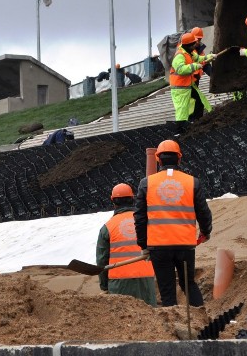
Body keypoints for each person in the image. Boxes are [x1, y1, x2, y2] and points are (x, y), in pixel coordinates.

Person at [134, 140, 212, 307]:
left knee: (167, 291)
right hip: (185, 246)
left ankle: (173, 330)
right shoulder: (192, 182)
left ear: (158, 160)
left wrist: (143, 245)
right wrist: (205, 231)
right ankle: (203, 324)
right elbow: (203, 212)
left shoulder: (146, 183)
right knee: (189, 284)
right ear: (179, 159)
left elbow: (140, 218)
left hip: (158, 247)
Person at [96, 183, 156, 306]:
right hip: (146, 279)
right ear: (133, 199)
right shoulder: (146, 222)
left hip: (119, 283)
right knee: (150, 320)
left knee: (123, 322)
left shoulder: (107, 228)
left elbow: (102, 260)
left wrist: (104, 286)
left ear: (113, 200)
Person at [170, 32, 214, 128]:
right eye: (193, 43)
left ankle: (197, 122)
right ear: (188, 45)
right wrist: (194, 66)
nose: (195, 44)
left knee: (199, 101)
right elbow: (180, 69)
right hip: (180, 88)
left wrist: (208, 57)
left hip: (187, 85)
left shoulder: (189, 52)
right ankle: (180, 130)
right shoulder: (179, 55)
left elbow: (199, 58)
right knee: (182, 109)